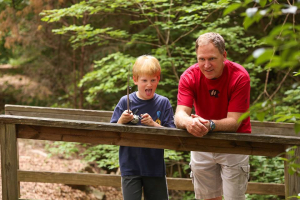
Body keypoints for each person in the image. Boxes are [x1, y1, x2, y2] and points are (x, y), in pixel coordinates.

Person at [174, 32, 251, 200]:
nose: (206, 65)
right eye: (201, 59)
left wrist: (209, 125)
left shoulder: (239, 76)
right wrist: (189, 123)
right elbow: (180, 114)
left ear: (224, 55)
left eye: (212, 59)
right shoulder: (189, 76)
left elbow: (234, 122)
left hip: (234, 144)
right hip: (201, 141)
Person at [110, 55, 175, 200]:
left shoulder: (163, 103)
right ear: (135, 80)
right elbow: (112, 132)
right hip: (130, 165)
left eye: (153, 80)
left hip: (155, 167)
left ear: (158, 79)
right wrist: (122, 120)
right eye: (144, 80)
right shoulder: (125, 101)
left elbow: (172, 134)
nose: (149, 85)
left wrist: (153, 125)